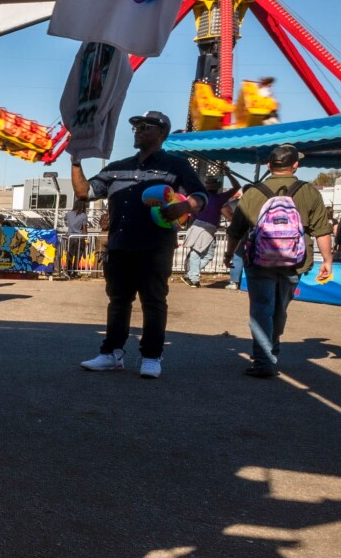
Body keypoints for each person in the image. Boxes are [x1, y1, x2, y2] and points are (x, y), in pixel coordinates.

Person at [71, 111, 207, 379]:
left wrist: (185, 206)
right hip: (120, 245)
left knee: (154, 301)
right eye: (135, 127)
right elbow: (84, 192)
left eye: (145, 127)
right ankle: (111, 354)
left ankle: (152, 356)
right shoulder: (116, 166)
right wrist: (75, 160)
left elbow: (201, 195)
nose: (138, 130)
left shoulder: (176, 165)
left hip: (156, 247)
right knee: (118, 301)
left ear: (162, 133)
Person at [225, 144, 333, 378]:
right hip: (294, 261)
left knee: (261, 308)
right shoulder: (309, 192)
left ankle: (264, 359)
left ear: (268, 165)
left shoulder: (252, 192)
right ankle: (271, 350)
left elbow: (235, 230)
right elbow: (322, 231)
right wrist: (327, 260)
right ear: (295, 165)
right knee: (279, 309)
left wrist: (228, 254)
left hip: (259, 260)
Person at [181, 171, 240, 287]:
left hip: (205, 227)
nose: (212, 185)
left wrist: (190, 228)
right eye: (210, 183)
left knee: (208, 255)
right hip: (204, 226)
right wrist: (228, 174)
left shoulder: (212, 198)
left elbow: (193, 215)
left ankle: (191, 274)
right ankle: (193, 278)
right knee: (197, 252)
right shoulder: (213, 198)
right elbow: (237, 186)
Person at [63, 201, 91, 275]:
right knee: (78, 255)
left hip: (70, 237)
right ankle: (75, 272)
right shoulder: (84, 215)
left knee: (69, 255)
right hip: (80, 237)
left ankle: (68, 272)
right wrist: (86, 238)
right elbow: (84, 228)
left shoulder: (68, 214)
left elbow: (65, 219)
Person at [222, 200, 244, 290]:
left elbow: (224, 209)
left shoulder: (240, 201)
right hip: (256, 230)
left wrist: (233, 220)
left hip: (240, 229)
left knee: (237, 255)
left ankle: (234, 281)